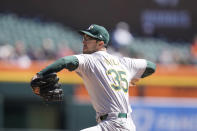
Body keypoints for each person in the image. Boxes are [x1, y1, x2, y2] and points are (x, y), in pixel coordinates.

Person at [33, 24, 156, 131]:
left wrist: (40, 75)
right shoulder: (124, 62)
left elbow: (65, 61)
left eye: (89, 38)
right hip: (123, 124)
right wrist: (131, 77)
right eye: (84, 37)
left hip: (113, 125)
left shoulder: (90, 59)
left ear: (100, 43)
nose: (84, 41)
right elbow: (151, 66)